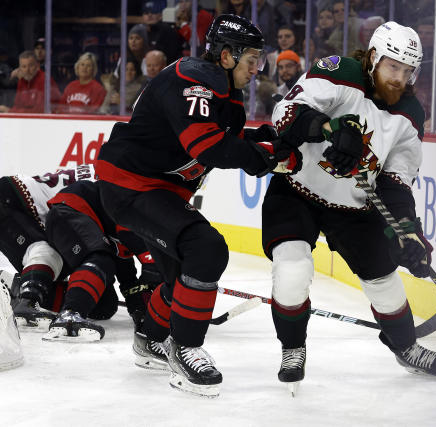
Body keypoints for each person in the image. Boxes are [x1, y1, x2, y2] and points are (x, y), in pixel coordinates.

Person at [95, 14, 302, 397]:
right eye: (251, 58)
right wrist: (270, 157)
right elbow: (207, 146)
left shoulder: (221, 89)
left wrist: (280, 140)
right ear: (226, 55)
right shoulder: (194, 80)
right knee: (205, 249)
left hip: (155, 189)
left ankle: (150, 341)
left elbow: (233, 138)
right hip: (132, 186)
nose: (258, 67)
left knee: (183, 280)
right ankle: (185, 346)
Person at [266, 20, 436, 393]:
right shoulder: (342, 72)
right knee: (292, 270)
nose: (400, 78)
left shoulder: (411, 114)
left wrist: (408, 231)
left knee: (384, 280)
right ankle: (292, 348)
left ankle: (405, 347)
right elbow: (285, 113)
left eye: (407, 70)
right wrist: (327, 128)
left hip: (354, 204)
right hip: (296, 190)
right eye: (392, 67)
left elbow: (396, 181)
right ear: (372, 58)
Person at [43, 180, 161, 342]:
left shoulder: (127, 234)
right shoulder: (141, 214)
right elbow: (154, 270)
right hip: (71, 209)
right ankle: (70, 315)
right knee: (101, 259)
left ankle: (37, 293)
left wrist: (140, 311)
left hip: (79, 221)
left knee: (104, 306)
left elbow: (128, 279)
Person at [0, 165, 96, 330]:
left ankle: (16, 289)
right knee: (47, 253)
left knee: (102, 303)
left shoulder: (113, 169)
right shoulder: (120, 184)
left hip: (18, 199)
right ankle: (28, 301)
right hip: (11, 200)